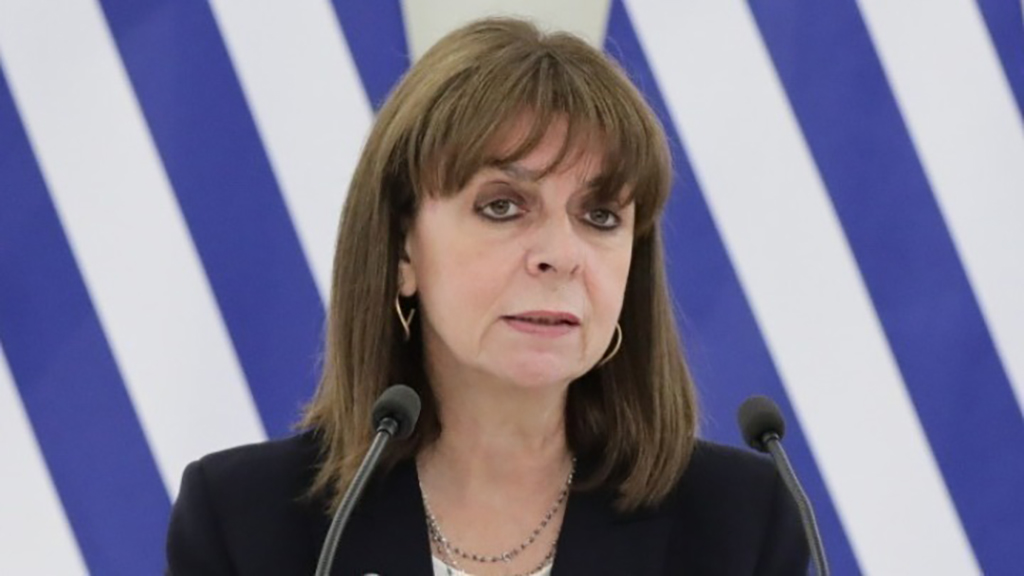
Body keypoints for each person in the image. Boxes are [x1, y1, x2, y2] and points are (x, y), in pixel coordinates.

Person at [166, 16, 808, 575]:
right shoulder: (245, 522)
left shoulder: (738, 523)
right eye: (503, 206)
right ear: (402, 251)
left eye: (600, 216)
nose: (561, 254)